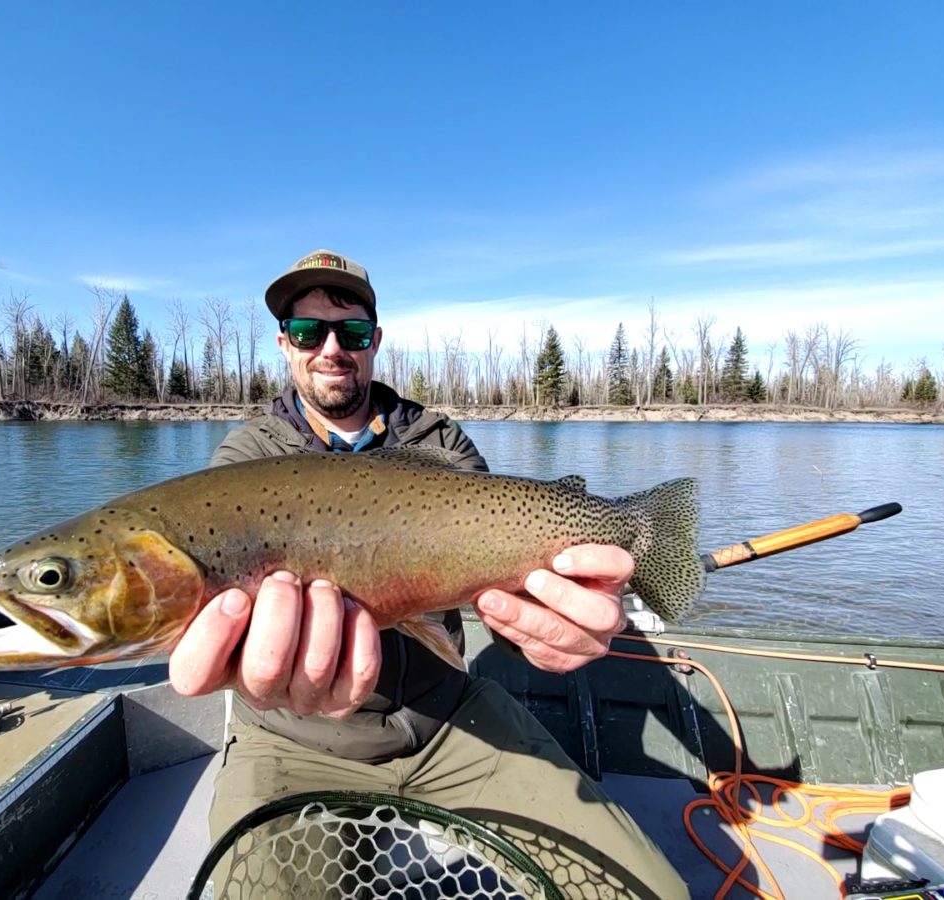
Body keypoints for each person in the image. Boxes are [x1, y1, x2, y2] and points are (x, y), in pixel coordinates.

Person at [170, 250, 688, 899]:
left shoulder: (437, 441)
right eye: (309, 332)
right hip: (291, 742)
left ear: (374, 342)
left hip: (449, 717)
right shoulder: (243, 463)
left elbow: (499, 561)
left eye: (351, 333)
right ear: (285, 344)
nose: (332, 348)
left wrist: (554, 611)